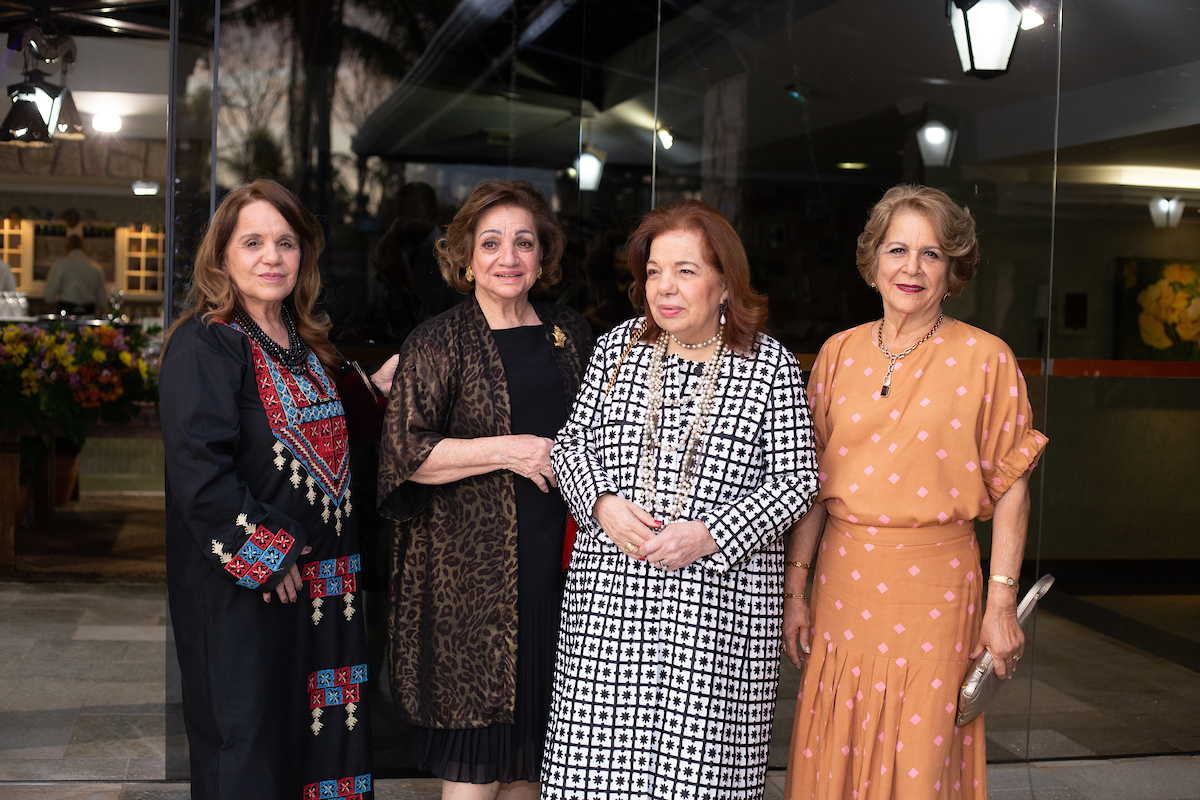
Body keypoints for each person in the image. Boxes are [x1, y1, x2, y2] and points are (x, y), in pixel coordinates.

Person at [542, 199, 818, 799]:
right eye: (654, 271)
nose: (664, 288)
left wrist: (713, 534)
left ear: (725, 284)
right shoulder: (619, 349)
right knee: (597, 779)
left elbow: (797, 482)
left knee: (699, 782)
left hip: (718, 618)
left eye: (686, 271)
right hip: (608, 616)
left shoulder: (768, 365)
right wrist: (601, 503)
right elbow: (570, 449)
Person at [782, 185, 1048, 800]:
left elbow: (1012, 489)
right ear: (872, 260)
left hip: (937, 588)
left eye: (931, 255)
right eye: (897, 249)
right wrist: (795, 589)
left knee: (920, 758)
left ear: (953, 270)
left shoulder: (987, 358)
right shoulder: (836, 354)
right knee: (836, 742)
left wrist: (1002, 602)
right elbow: (811, 489)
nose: (912, 268)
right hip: (843, 585)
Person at [159, 178, 397, 798]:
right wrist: (268, 554)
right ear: (222, 256)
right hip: (251, 595)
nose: (272, 257)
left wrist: (385, 384)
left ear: (303, 258)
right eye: (254, 242)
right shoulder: (205, 343)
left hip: (326, 595)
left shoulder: (307, 345)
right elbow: (198, 473)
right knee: (251, 747)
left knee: (320, 753)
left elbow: (327, 426)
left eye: (286, 243)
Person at [376, 179, 591, 799]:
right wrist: (514, 450)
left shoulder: (571, 334)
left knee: (534, 762)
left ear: (543, 255)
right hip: (469, 588)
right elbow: (404, 454)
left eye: (524, 243)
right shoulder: (439, 341)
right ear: (465, 256)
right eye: (491, 242)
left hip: (562, 578)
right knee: (475, 768)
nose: (509, 257)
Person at [43, 235, 106, 315]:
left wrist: (58, 301)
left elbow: (48, 297)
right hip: (88, 314)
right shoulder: (96, 267)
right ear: (83, 247)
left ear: (66, 247)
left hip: (66, 314)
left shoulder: (60, 265)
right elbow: (102, 301)